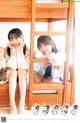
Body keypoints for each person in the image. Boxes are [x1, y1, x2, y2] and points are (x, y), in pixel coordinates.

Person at [4, 28, 30, 114]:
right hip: (11, 73)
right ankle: (12, 104)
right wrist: (12, 51)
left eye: (16, 38)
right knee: (14, 71)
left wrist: (19, 50)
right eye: (11, 39)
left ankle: (21, 104)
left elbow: (23, 66)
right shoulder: (7, 49)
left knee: (21, 71)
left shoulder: (27, 49)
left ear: (22, 38)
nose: (14, 41)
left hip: (23, 73)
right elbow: (11, 66)